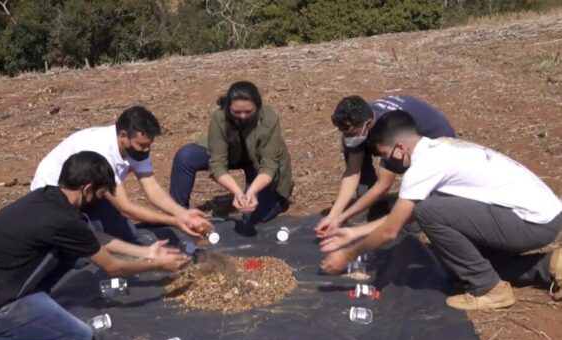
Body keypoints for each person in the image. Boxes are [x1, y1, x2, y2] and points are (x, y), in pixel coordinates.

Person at [0, 152, 190, 340]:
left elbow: (88, 239)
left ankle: (31, 311)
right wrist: (156, 264)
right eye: (102, 193)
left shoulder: (50, 197)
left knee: (73, 254)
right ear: (87, 189)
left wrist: (145, 252)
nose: (102, 199)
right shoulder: (63, 221)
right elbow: (113, 267)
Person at [320, 111, 562, 311]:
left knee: (430, 212)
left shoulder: (424, 166)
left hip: (530, 223)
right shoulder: (441, 147)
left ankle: (489, 289)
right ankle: (552, 264)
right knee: (460, 265)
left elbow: (391, 231)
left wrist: (347, 255)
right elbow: (404, 215)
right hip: (542, 215)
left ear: (401, 148)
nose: (387, 163)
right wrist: (354, 233)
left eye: (385, 155)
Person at [31, 106, 212, 243]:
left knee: (127, 237)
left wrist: (183, 214)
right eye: (142, 145)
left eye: (149, 144)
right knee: (86, 249)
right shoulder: (100, 150)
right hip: (55, 198)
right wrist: (174, 221)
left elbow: (152, 187)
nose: (146, 150)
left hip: (91, 194)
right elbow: (125, 207)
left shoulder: (136, 149)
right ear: (123, 135)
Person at [315, 95, 456, 238]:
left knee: (411, 222)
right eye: (343, 132)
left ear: (368, 123)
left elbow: (383, 185)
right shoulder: (357, 120)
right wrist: (334, 215)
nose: (347, 137)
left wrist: (342, 217)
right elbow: (352, 172)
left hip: (437, 146)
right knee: (354, 149)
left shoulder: (390, 129)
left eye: (351, 133)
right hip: (390, 138)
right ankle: (369, 208)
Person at [169, 81, 293, 230]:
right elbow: (217, 164)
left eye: (248, 112)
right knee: (186, 156)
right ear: (228, 107)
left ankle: (278, 200)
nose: (242, 117)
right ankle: (178, 214)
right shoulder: (219, 117)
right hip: (232, 154)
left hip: (258, 163)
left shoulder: (269, 118)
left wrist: (251, 193)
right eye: (236, 112)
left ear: (258, 106)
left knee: (251, 218)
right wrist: (237, 192)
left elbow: (269, 166)